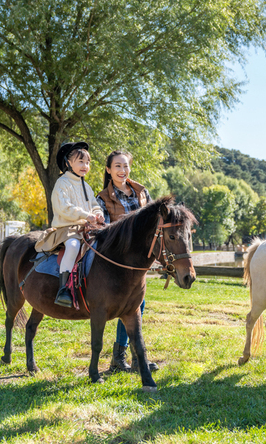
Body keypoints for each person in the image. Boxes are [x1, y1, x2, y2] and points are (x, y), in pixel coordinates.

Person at [96, 150, 159, 374]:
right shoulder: (102, 198)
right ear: (108, 170)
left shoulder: (142, 192)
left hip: (140, 261)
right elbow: (101, 231)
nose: (122, 171)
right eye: (117, 167)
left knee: (138, 307)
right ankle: (120, 358)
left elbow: (155, 222)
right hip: (118, 262)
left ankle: (132, 357)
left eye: (125, 166)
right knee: (130, 308)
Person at [35, 142, 104, 308]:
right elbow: (63, 207)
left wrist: (98, 213)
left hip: (86, 229)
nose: (85, 166)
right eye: (80, 161)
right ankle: (63, 289)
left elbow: (94, 204)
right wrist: (85, 215)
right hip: (67, 229)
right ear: (68, 163)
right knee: (73, 246)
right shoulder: (62, 183)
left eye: (87, 162)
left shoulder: (86, 186)